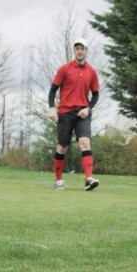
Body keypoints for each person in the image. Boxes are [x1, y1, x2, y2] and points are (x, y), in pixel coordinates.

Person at [48, 37, 100, 191]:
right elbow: (53, 90)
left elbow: (96, 95)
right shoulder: (64, 69)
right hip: (64, 112)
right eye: (77, 48)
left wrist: (88, 108)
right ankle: (58, 180)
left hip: (82, 113)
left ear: (86, 51)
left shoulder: (91, 72)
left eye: (82, 48)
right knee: (62, 147)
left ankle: (89, 179)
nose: (80, 51)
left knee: (85, 142)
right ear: (74, 51)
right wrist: (52, 108)